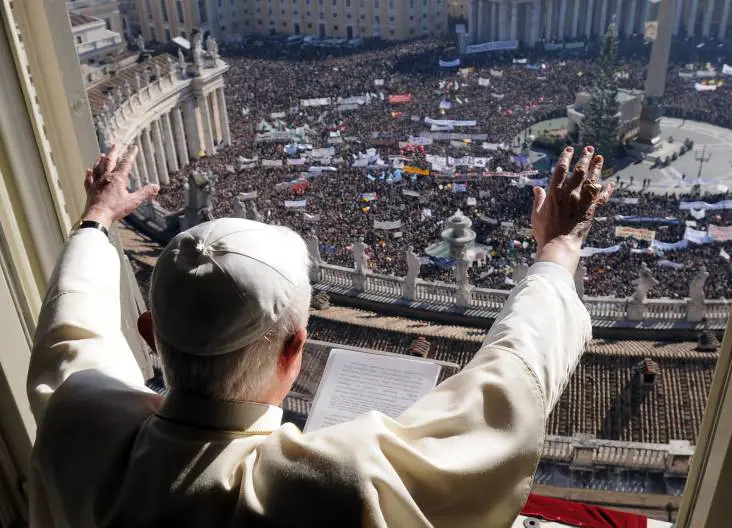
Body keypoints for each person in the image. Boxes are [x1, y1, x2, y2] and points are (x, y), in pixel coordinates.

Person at [27, 144, 614, 526]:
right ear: (295, 350)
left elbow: (73, 334)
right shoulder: (333, 487)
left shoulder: (76, 425)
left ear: (150, 335)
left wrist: (95, 219)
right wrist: (558, 251)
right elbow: (504, 396)